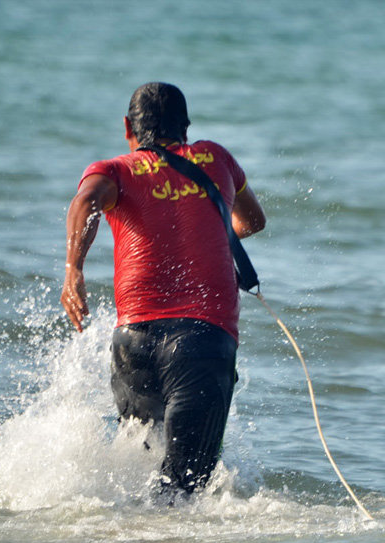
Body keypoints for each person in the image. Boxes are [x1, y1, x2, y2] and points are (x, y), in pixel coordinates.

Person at [60, 82, 266, 495]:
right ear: (185, 129)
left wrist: (74, 270)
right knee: (185, 494)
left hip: (133, 344)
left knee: (142, 472)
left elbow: (85, 201)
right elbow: (253, 221)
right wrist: (209, 234)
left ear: (127, 127)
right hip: (202, 343)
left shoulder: (114, 170)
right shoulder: (217, 159)